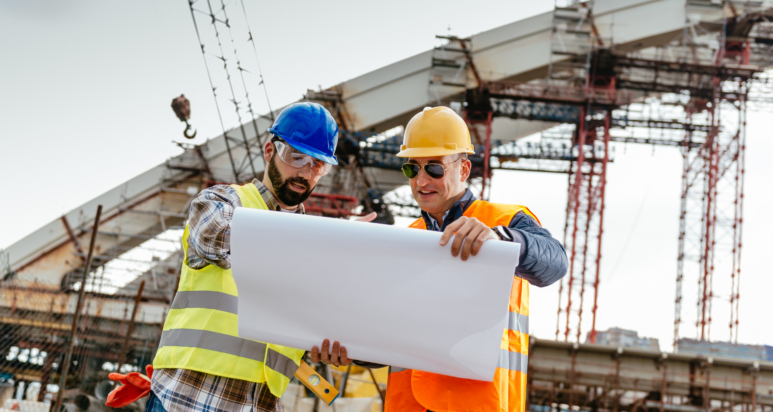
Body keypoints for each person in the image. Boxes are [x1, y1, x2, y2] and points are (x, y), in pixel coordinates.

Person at [148, 102, 374, 412]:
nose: (305, 172)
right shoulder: (223, 200)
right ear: (269, 151)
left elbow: (319, 323)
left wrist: (345, 347)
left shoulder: (316, 248)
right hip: (188, 397)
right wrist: (326, 245)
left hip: (261, 404)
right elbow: (215, 238)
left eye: (317, 164)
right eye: (296, 157)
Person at [385, 106, 569, 412]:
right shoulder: (405, 239)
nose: (421, 180)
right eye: (411, 168)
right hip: (409, 405)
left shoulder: (505, 221)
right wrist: (350, 351)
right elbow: (388, 333)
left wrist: (502, 240)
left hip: (480, 403)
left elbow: (556, 263)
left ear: (464, 170)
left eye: (434, 167)